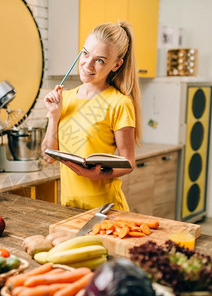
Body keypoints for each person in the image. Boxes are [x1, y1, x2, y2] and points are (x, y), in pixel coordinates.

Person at [41, 21, 142, 211]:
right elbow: (48, 156)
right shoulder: (65, 98)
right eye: (85, 54)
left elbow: (128, 162)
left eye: (100, 60)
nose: (88, 64)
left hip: (106, 210)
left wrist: (97, 175)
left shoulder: (120, 103)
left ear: (116, 65)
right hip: (69, 207)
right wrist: (54, 115)